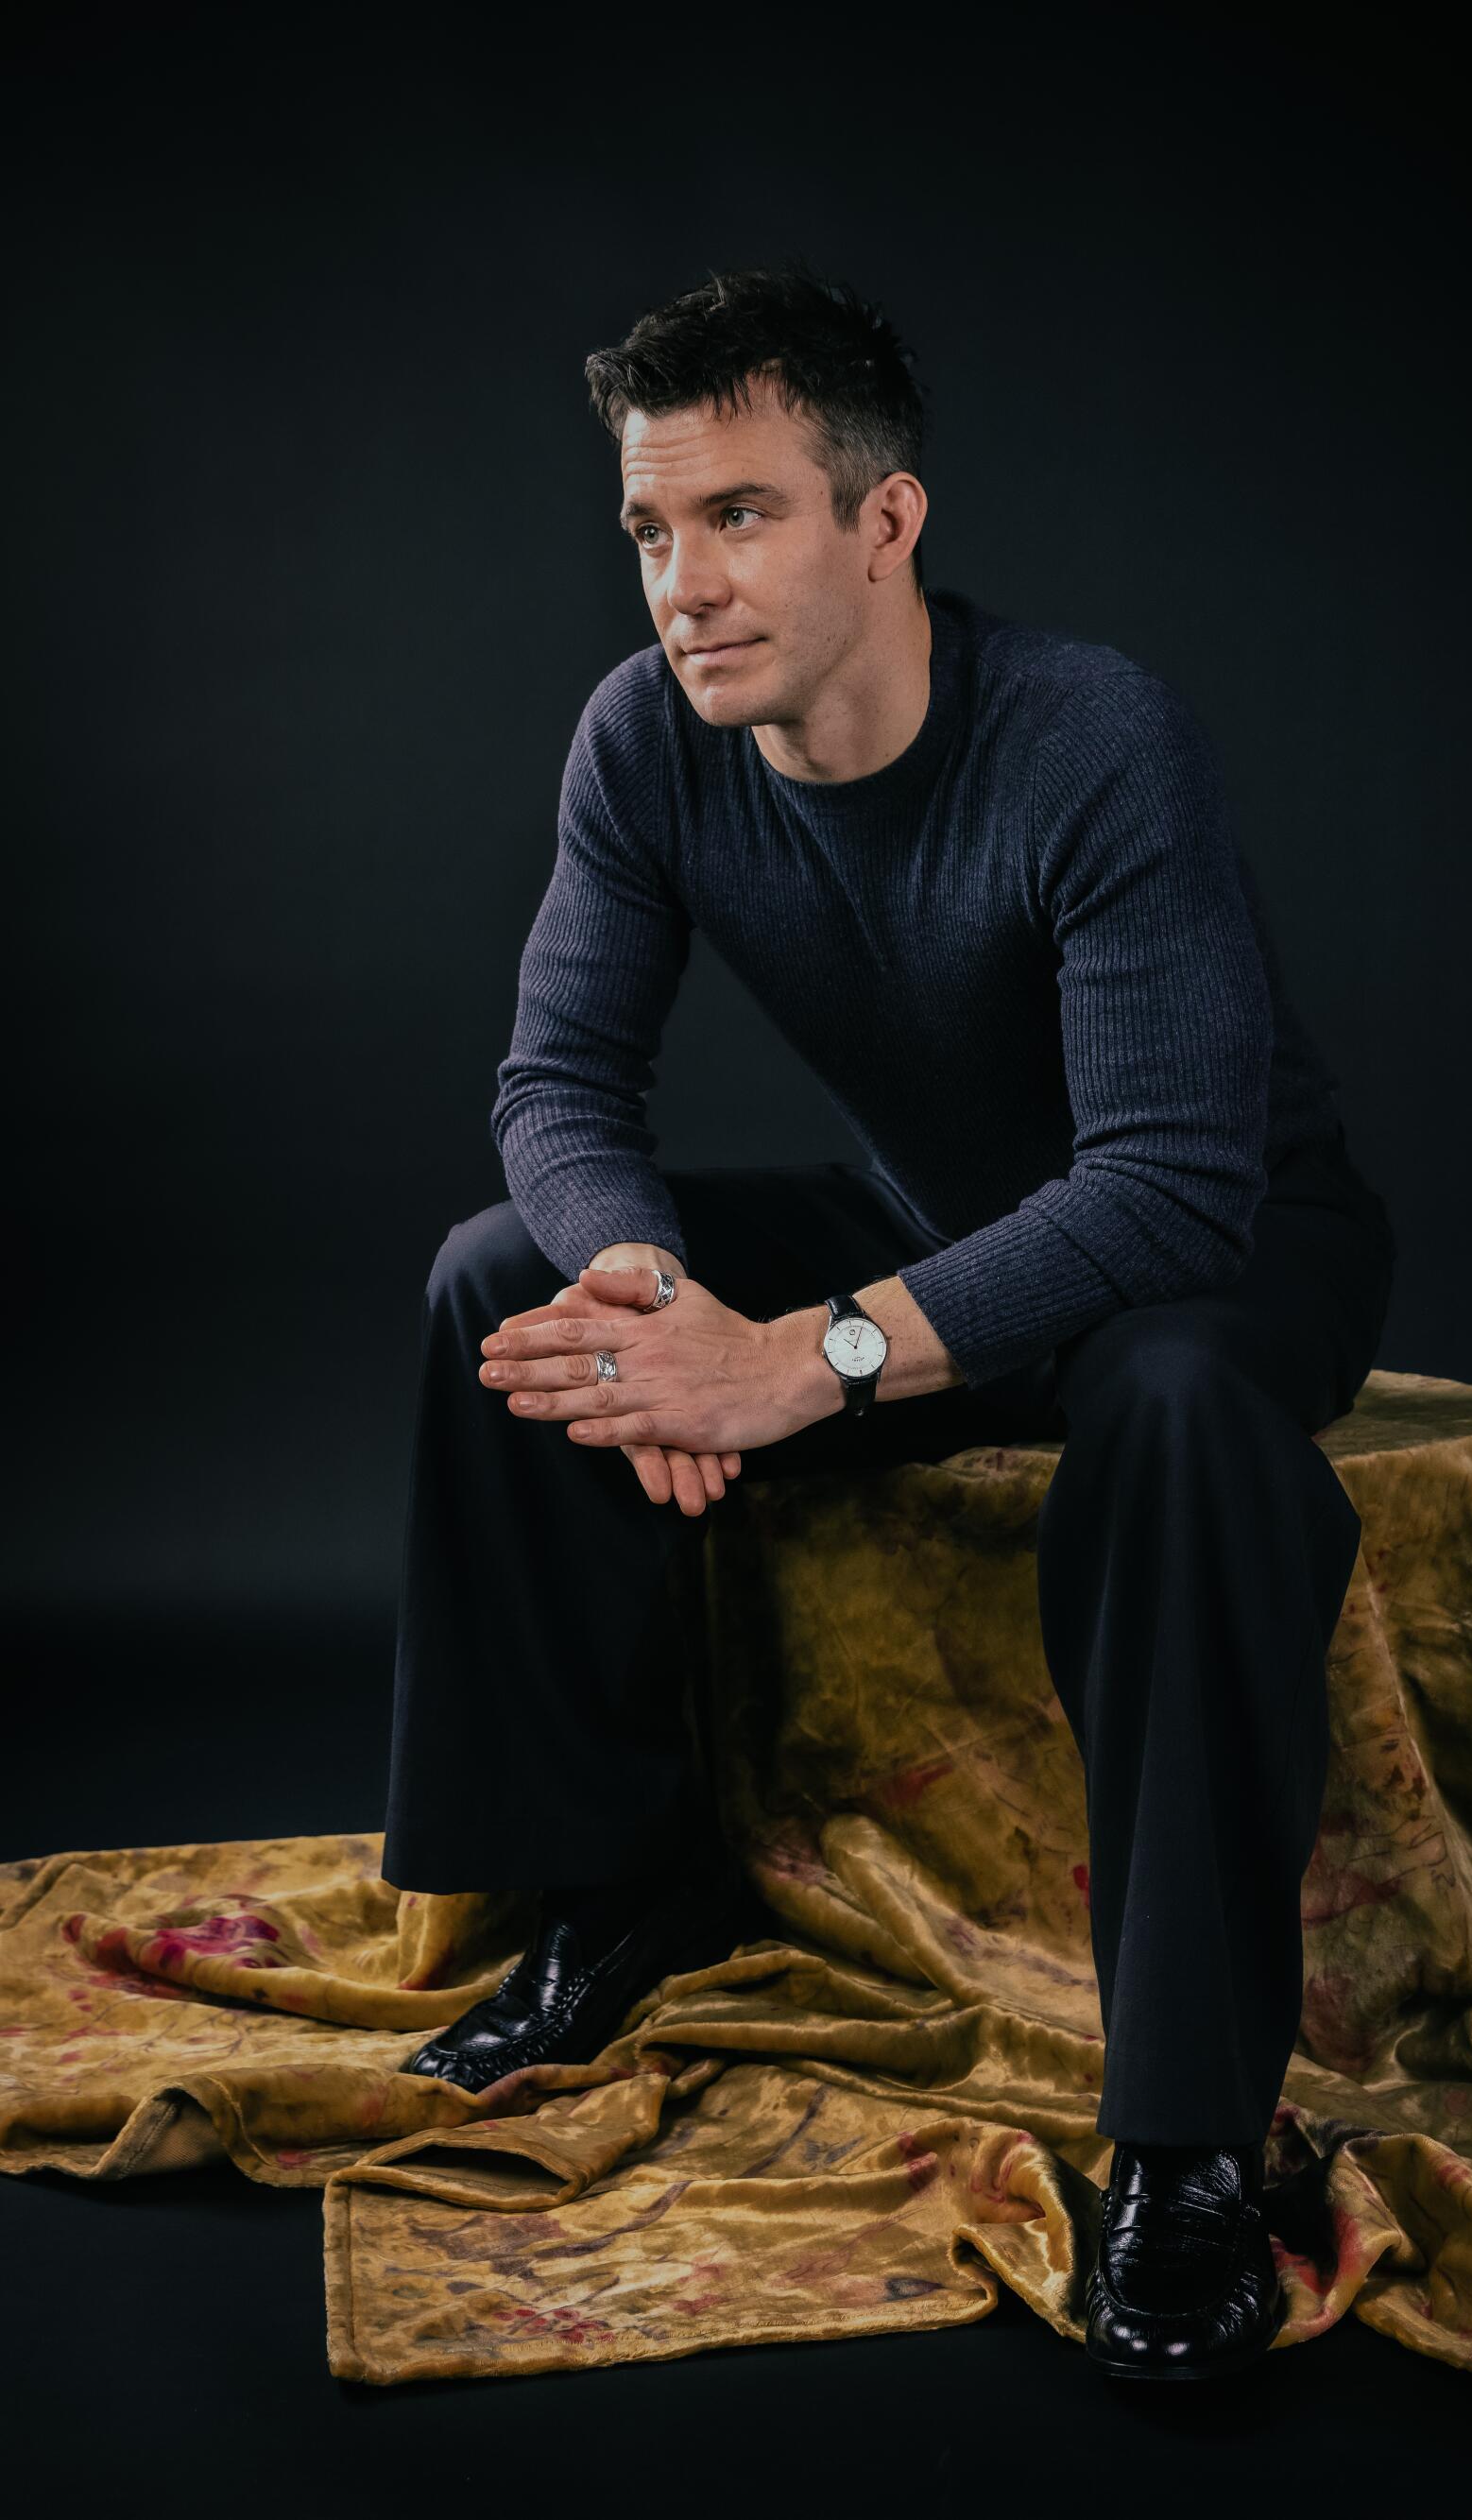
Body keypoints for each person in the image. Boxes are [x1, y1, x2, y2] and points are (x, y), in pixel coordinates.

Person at [383, 259, 1395, 2385]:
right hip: (940, 1217)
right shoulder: (644, 738)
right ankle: (613, 1891)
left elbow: (1163, 1182)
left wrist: (798, 1359)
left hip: (1219, 1244)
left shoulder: (1092, 736)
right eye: (652, 527)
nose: (684, 582)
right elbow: (560, 1085)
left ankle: (1190, 2141)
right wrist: (649, 1288)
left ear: (885, 521)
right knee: (506, 1275)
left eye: (740, 513)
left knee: (1178, 1404)